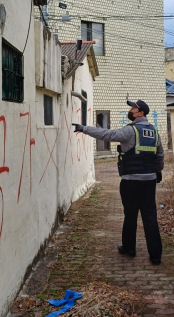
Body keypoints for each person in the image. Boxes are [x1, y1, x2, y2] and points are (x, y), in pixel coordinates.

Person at [72, 100, 164, 265]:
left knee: (130, 215)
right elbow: (160, 156)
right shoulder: (154, 132)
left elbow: (106, 134)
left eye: (133, 108)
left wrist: (83, 128)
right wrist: (156, 171)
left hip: (131, 182)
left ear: (140, 113)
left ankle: (129, 248)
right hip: (149, 181)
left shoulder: (130, 131)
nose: (130, 110)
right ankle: (156, 255)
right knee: (150, 216)